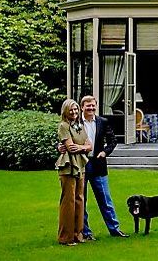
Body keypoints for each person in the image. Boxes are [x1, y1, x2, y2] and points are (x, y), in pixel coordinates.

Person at [79, 95, 128, 240]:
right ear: (82, 107)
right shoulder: (76, 123)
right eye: (88, 106)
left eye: (93, 105)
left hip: (98, 164)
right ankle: (86, 232)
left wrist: (105, 152)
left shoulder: (102, 121)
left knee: (105, 199)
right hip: (81, 164)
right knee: (82, 200)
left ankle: (114, 229)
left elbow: (113, 140)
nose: (91, 108)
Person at [55, 99, 91, 246]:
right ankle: (66, 237)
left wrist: (82, 147)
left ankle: (78, 234)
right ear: (65, 111)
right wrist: (84, 147)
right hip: (68, 166)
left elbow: (90, 145)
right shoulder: (63, 126)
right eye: (71, 110)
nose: (74, 112)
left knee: (80, 199)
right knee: (68, 201)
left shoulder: (79, 126)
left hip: (80, 166)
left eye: (76, 109)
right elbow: (70, 148)